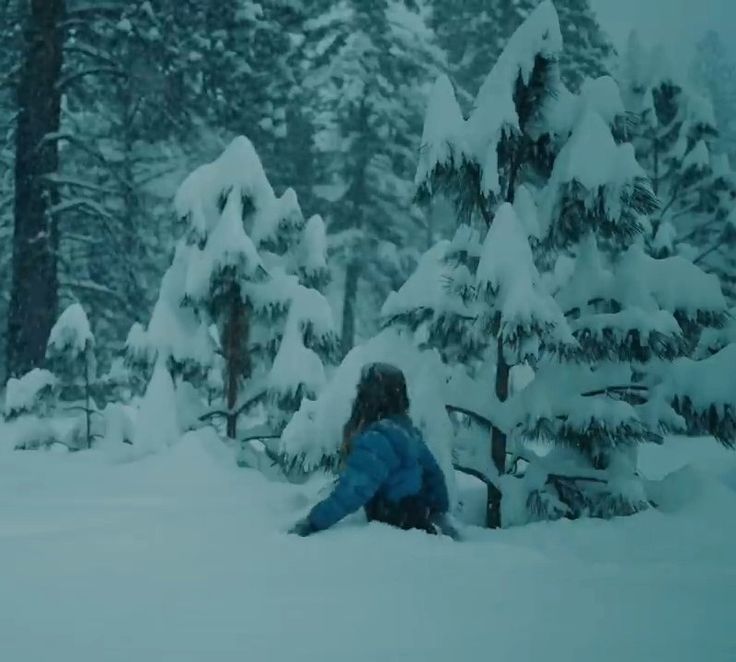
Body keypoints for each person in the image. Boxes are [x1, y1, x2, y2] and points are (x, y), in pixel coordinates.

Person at [289, 362, 456, 538]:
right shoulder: (406, 432)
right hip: (414, 517)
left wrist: (313, 522)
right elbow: (434, 476)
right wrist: (438, 512)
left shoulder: (376, 439)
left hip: (393, 523)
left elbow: (353, 491)